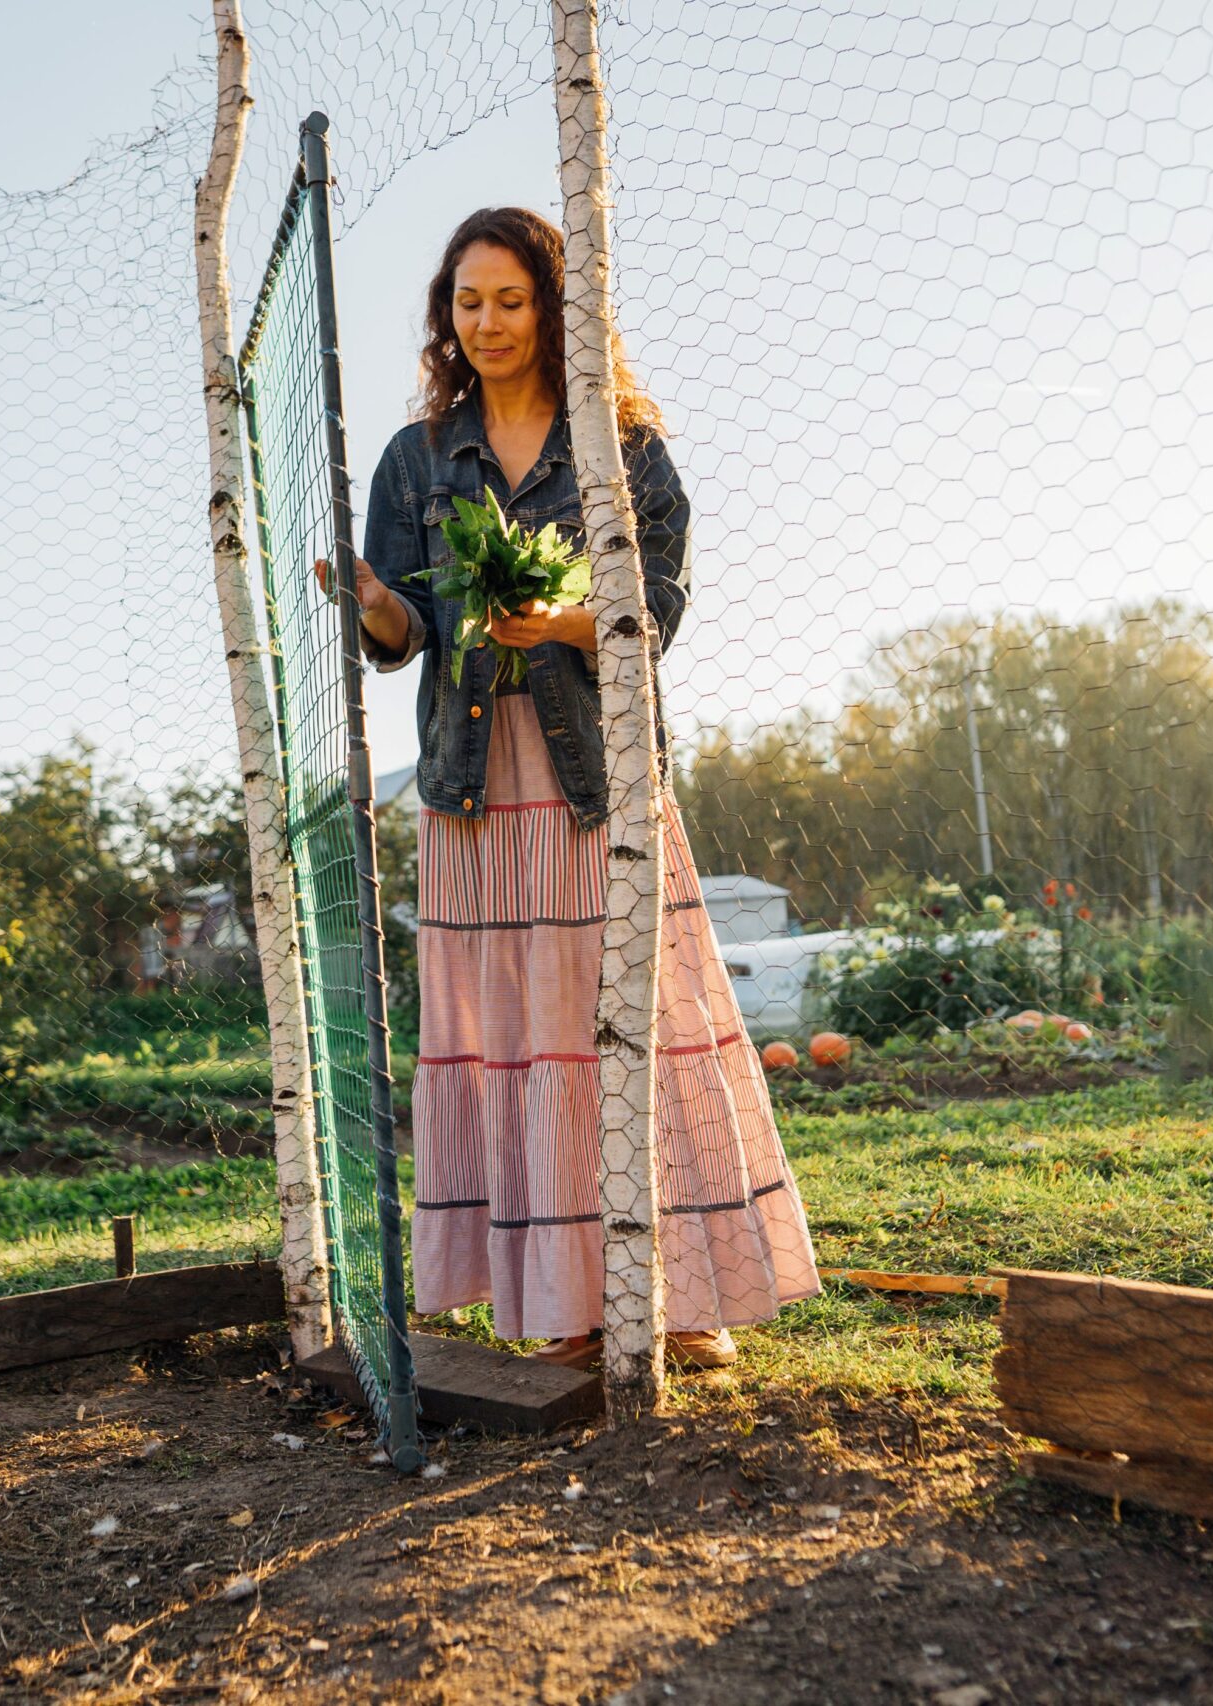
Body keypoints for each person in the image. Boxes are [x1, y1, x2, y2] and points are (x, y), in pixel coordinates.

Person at [320, 206, 819, 1370]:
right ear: (446, 314)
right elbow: (403, 633)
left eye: (509, 298)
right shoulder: (415, 457)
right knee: (514, 1033)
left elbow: (660, 603)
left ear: (554, 307)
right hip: (471, 785)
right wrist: (370, 600)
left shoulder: (619, 443)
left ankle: (678, 1299)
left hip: (598, 774)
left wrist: (565, 620)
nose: (485, 321)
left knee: (630, 1018)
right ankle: (562, 1298)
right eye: (466, 300)